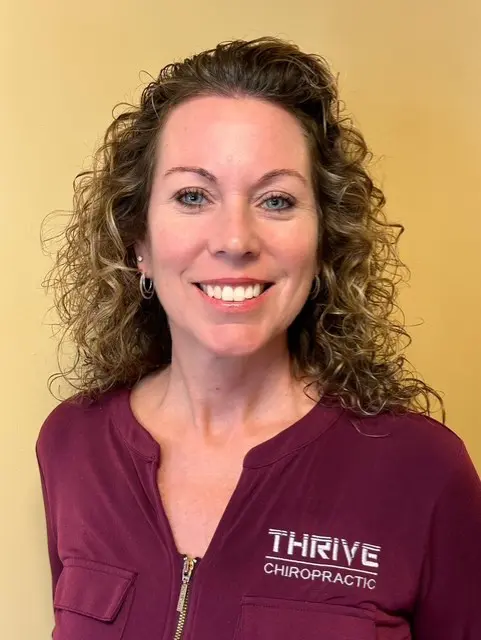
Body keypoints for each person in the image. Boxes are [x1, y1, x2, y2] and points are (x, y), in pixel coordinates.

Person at [36, 37, 481, 640]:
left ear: (324, 239)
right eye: (193, 195)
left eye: (276, 200)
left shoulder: (422, 471)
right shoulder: (73, 445)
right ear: (138, 239)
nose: (235, 239)